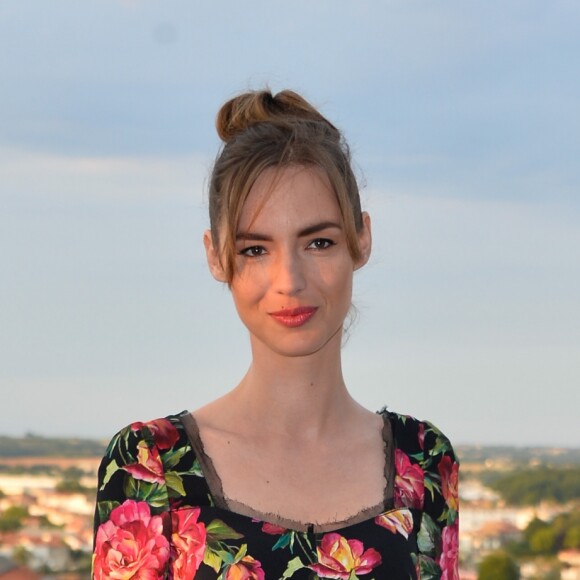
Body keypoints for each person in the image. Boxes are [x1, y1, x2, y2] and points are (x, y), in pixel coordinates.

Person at [92, 89, 459, 579]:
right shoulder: (148, 466)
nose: (289, 280)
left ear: (362, 238)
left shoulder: (425, 458)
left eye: (319, 242)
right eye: (255, 250)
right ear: (216, 256)